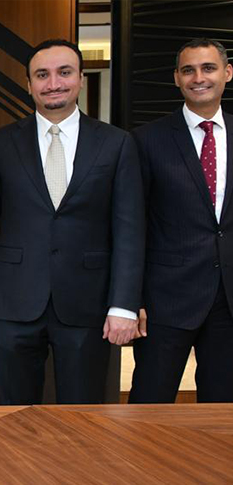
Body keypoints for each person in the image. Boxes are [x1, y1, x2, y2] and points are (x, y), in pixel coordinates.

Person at [0, 39, 145, 404]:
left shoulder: (117, 143)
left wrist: (124, 304)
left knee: (82, 414)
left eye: (64, 72)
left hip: (87, 302)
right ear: (29, 84)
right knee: (14, 414)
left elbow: (129, 230)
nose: (53, 83)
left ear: (81, 79)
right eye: (42, 75)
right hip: (13, 302)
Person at [130, 38, 233, 403]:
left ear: (227, 73)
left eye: (208, 68)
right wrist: (132, 298)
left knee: (222, 414)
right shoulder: (145, 140)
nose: (198, 78)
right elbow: (132, 225)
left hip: (228, 302)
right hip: (164, 301)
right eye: (188, 70)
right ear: (176, 78)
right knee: (149, 408)